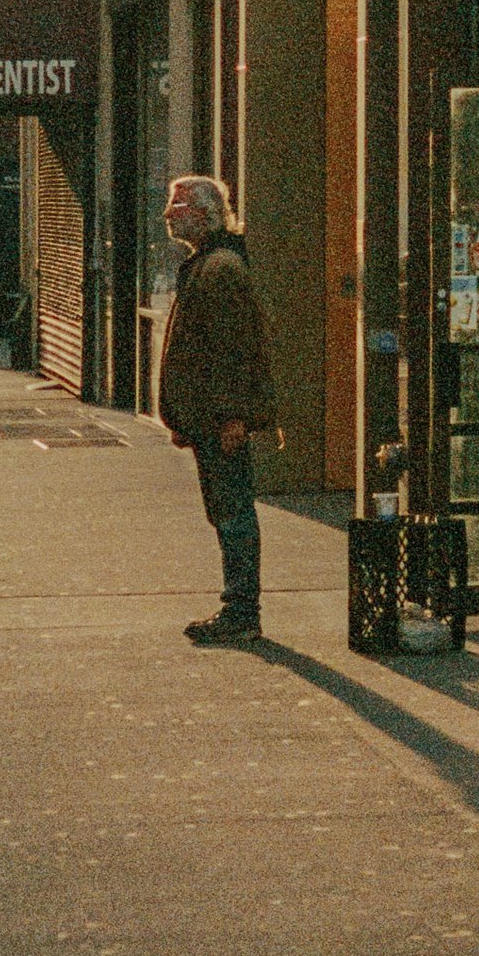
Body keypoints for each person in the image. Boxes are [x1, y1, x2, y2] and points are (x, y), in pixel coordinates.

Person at [155, 172, 279, 646]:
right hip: (210, 418)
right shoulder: (209, 263)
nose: (169, 213)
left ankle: (242, 611)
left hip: (221, 421)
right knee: (226, 509)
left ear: (204, 213)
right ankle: (239, 608)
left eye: (178, 204)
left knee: (232, 511)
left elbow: (234, 349)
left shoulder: (220, 267)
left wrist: (231, 417)